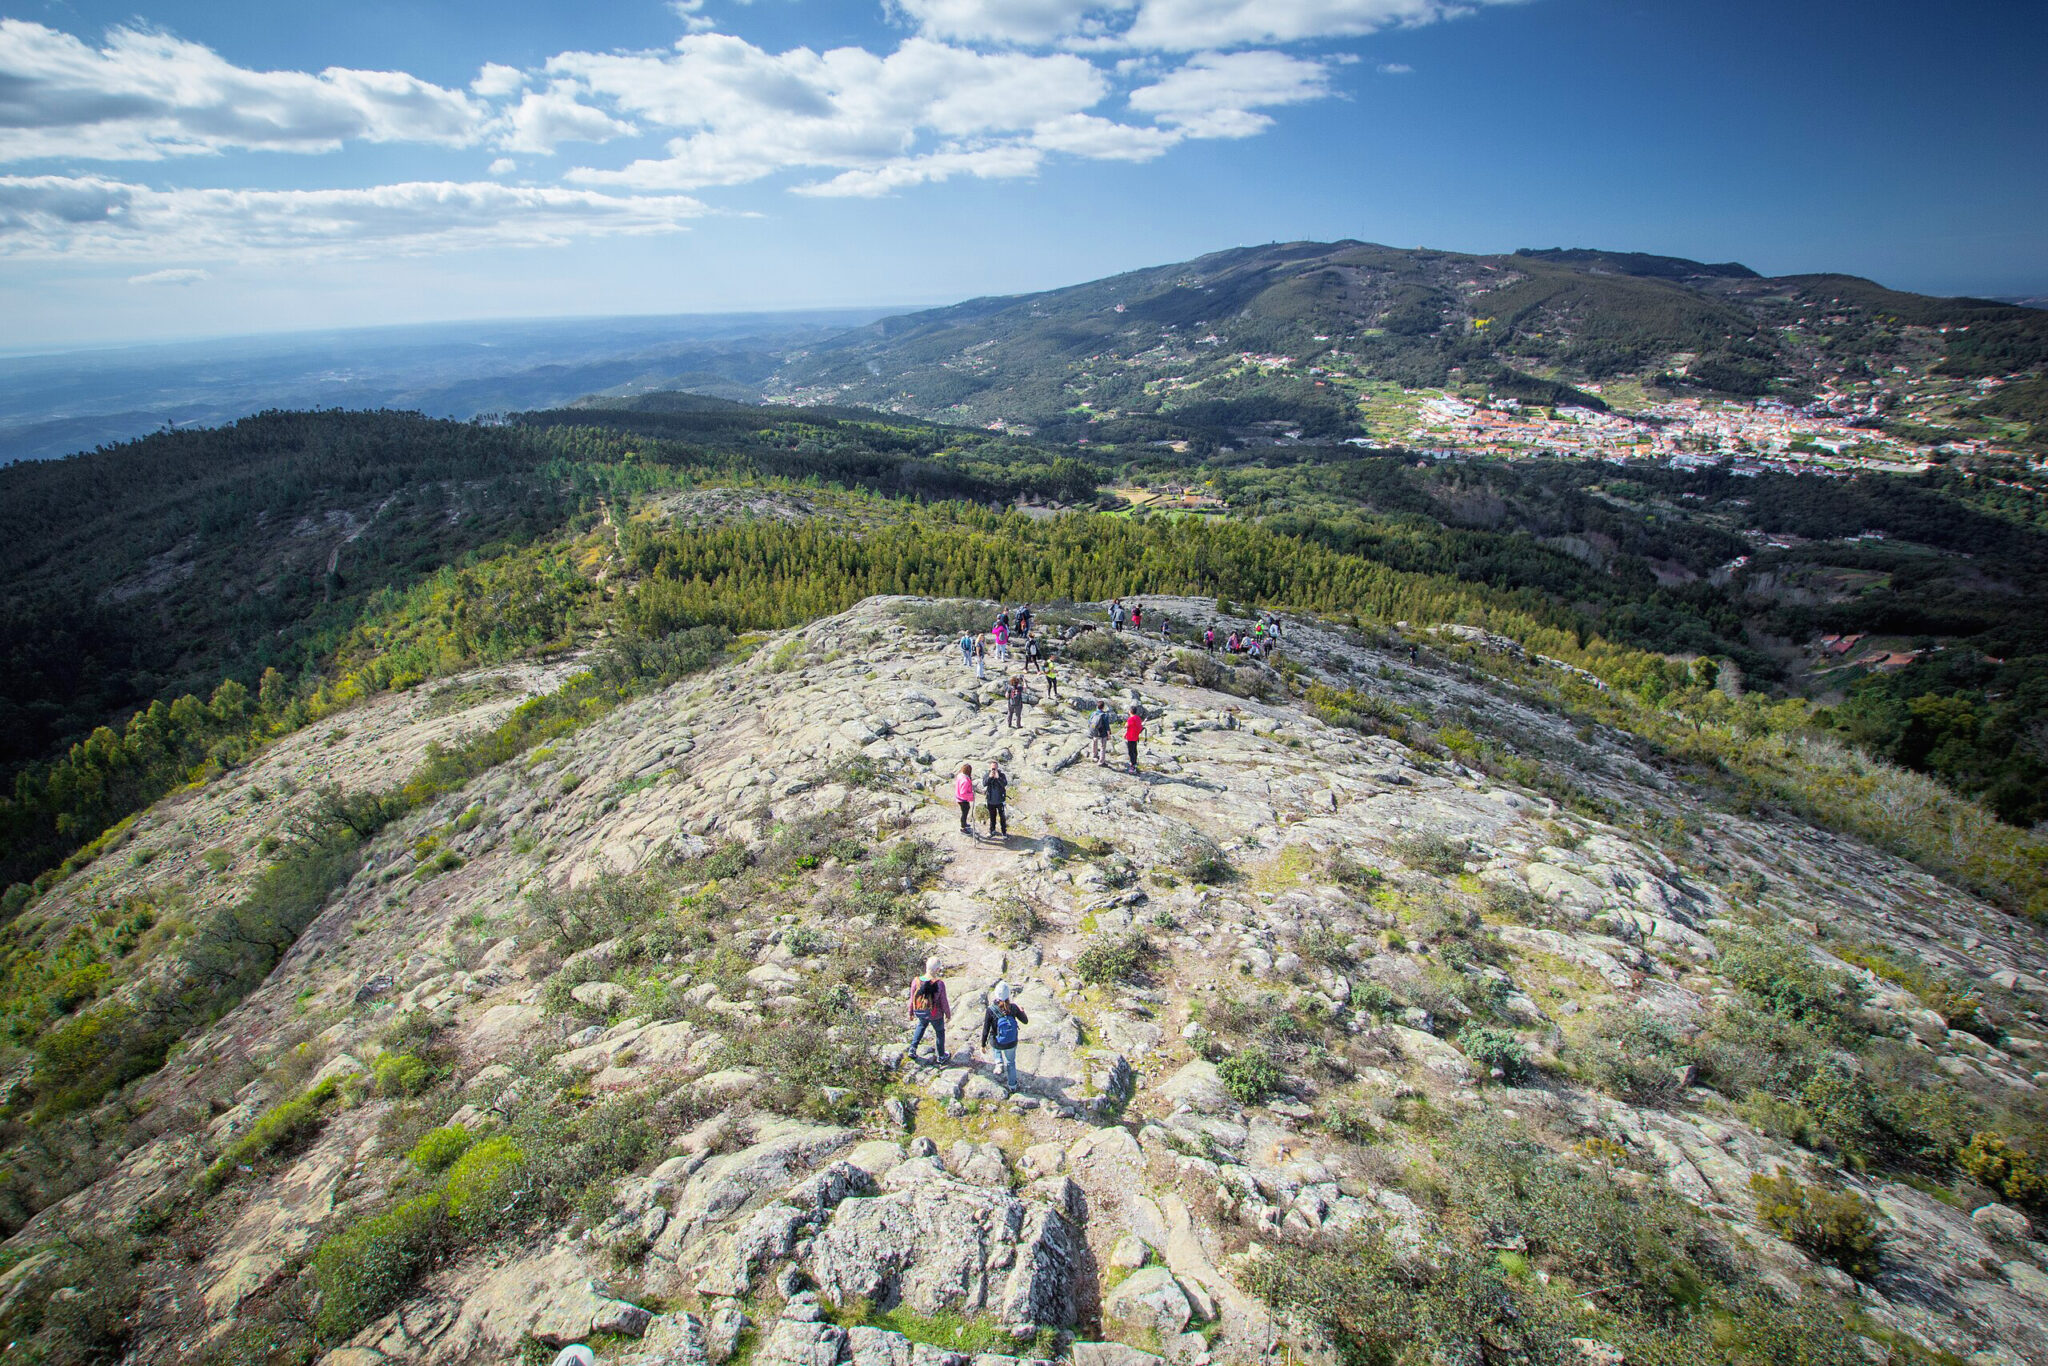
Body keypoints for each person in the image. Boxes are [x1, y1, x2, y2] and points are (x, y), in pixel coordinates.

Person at [980, 981, 1029, 1089]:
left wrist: (983, 1044)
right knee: (1011, 1062)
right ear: (1008, 995)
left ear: (996, 995)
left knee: (994, 1038)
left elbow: (986, 1029)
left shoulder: (991, 1010)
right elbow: (1025, 1021)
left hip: (997, 1042)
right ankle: (1012, 1085)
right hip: (1011, 1042)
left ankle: (999, 1063)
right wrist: (1022, 1011)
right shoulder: (1014, 1008)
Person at [908, 957, 952, 1063]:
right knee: (940, 1032)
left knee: (921, 1025)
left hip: (921, 1011)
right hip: (935, 1013)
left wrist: (910, 1012)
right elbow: (943, 1001)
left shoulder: (916, 981)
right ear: (937, 970)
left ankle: (912, 1049)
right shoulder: (939, 984)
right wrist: (948, 1014)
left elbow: (912, 999)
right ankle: (941, 1056)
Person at [984, 759, 1010, 837]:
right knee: (992, 817)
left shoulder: (1002, 775)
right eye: (992, 768)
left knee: (1002, 817)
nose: (993, 770)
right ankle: (992, 830)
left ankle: (1004, 832)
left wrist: (998, 778)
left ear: (997, 768)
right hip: (990, 800)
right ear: (990, 768)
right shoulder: (987, 774)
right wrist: (990, 777)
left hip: (1000, 800)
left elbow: (1004, 784)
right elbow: (984, 783)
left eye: (995, 768)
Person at [953, 762, 976, 834]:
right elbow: (963, 793)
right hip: (962, 799)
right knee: (965, 812)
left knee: (965, 811)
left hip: (959, 797)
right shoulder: (965, 780)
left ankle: (964, 824)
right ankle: (963, 827)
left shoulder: (960, 775)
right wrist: (972, 795)